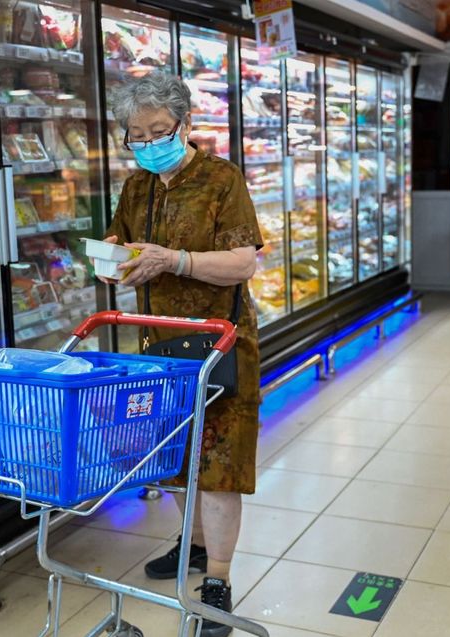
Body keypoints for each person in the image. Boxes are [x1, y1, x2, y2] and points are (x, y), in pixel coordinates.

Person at [100, 72, 262, 637]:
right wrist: (111, 258)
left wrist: (175, 260)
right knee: (171, 454)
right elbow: (119, 247)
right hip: (157, 345)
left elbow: (243, 263)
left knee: (217, 467)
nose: (146, 144)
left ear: (186, 124)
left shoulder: (222, 180)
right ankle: (193, 546)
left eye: (158, 131)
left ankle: (217, 575)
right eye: (135, 135)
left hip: (220, 340)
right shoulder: (135, 188)